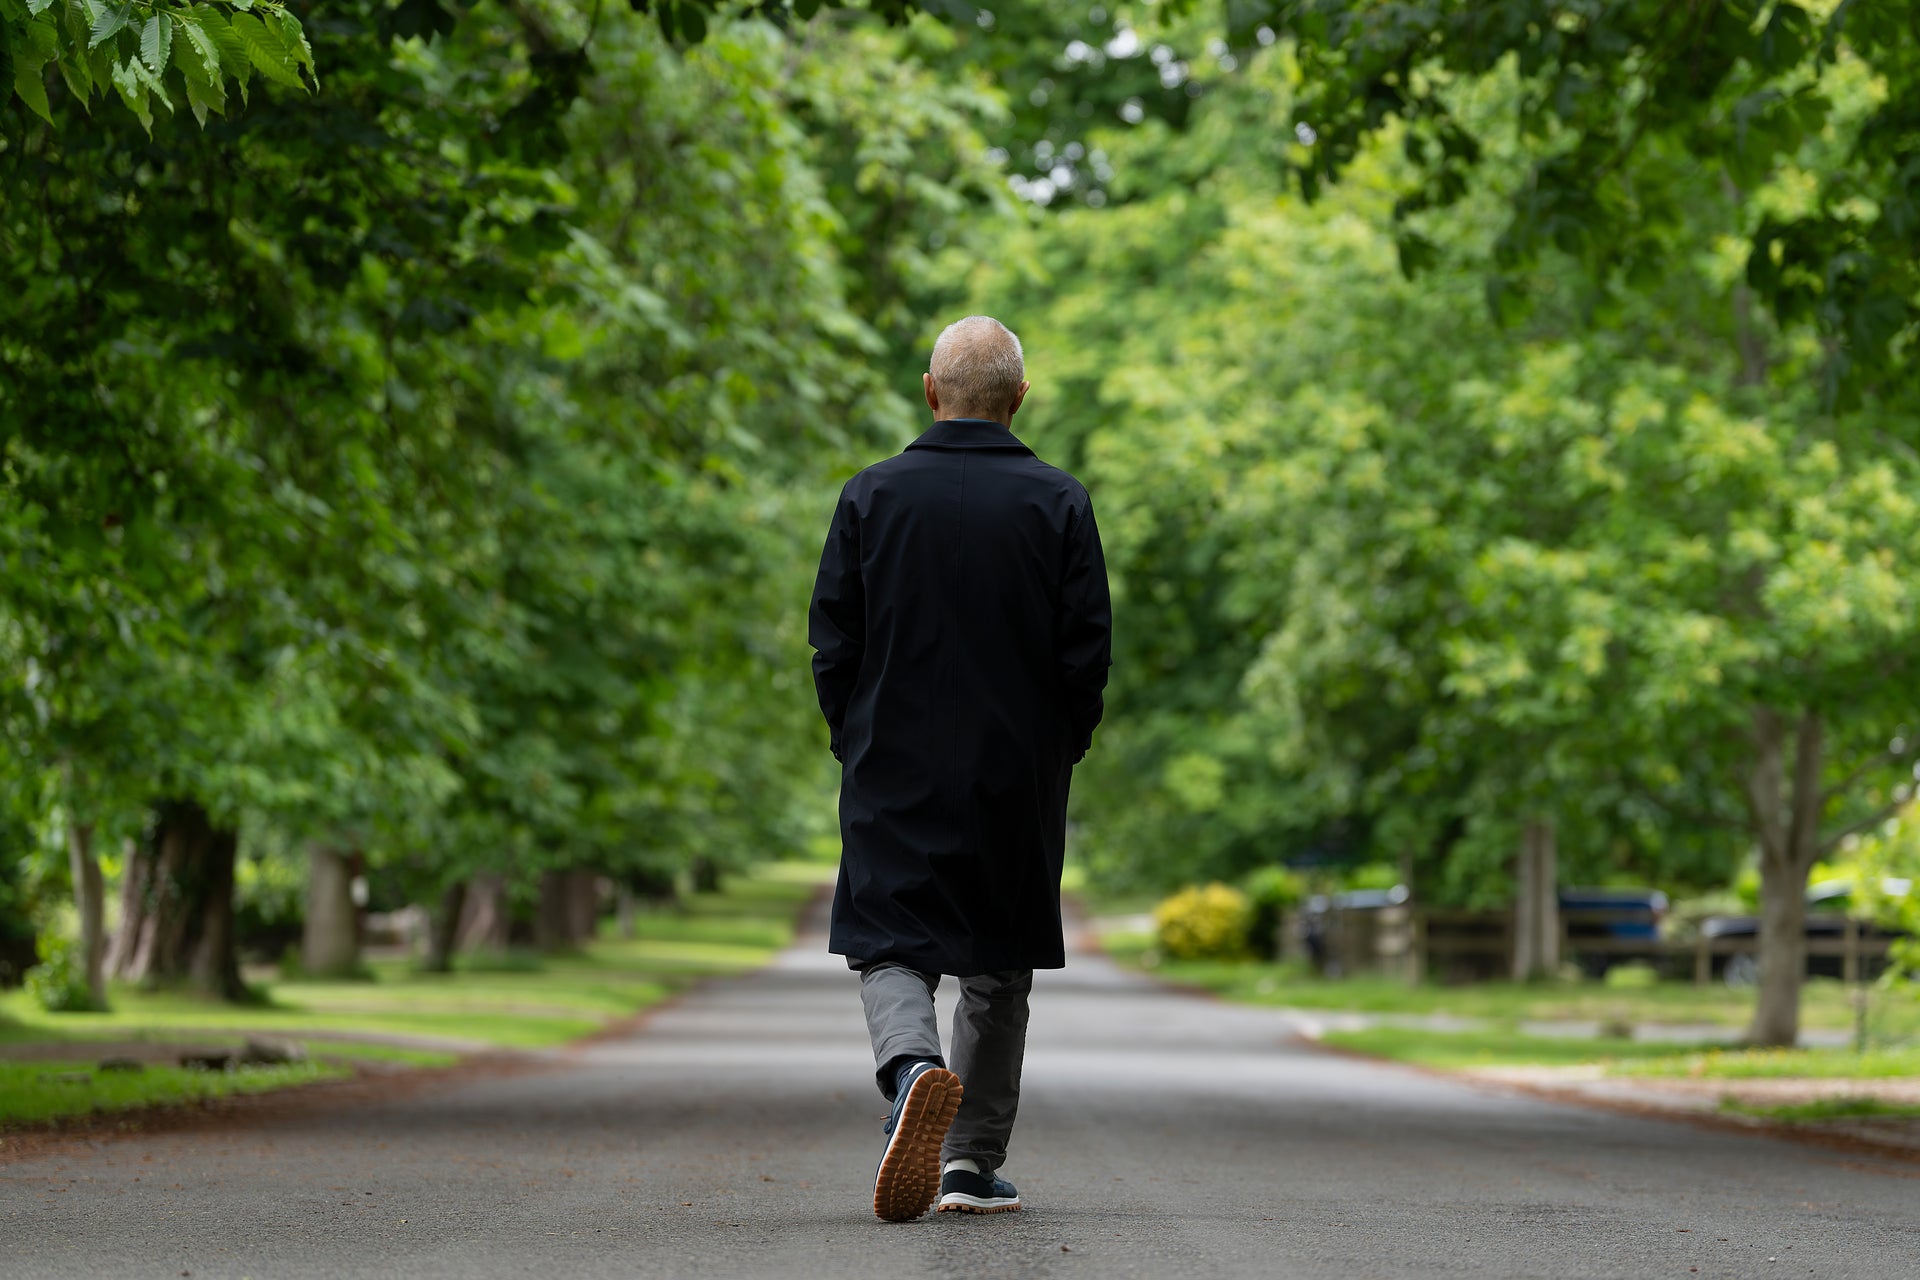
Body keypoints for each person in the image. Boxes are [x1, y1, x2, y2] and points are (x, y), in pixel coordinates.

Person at [808, 315, 1112, 1223]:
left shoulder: (870, 497)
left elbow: (834, 642)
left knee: (890, 939)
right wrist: (1063, 745)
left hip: (891, 759)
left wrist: (852, 737)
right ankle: (969, 1165)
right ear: (1019, 399)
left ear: (931, 391)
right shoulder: (1060, 503)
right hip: (1015, 767)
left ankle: (910, 1073)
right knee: (997, 961)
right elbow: (1084, 654)